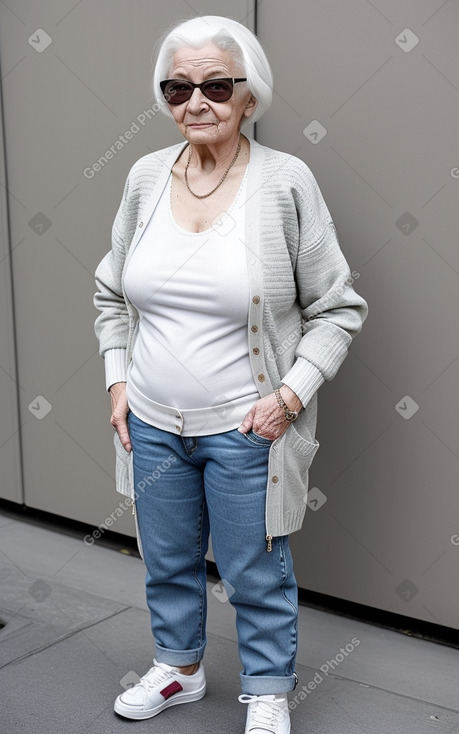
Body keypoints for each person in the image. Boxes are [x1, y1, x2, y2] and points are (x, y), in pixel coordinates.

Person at [94, 14, 368, 734]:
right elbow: (111, 293)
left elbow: (338, 307)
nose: (197, 101)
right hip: (151, 421)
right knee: (167, 558)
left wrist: (288, 396)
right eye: (178, 87)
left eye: (217, 85)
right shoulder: (145, 176)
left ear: (250, 97)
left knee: (254, 570)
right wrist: (118, 382)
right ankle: (179, 670)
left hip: (247, 425)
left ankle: (268, 688)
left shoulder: (284, 182)